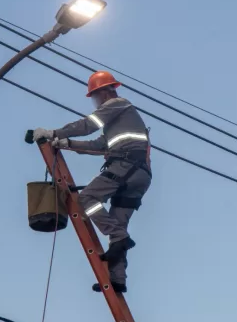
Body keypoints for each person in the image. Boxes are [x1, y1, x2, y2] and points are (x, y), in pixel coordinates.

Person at [33, 70, 152, 293]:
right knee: (118, 224)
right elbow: (98, 146)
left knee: (88, 198)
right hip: (139, 175)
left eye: (96, 96)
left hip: (126, 167)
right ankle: (118, 280)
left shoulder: (118, 104)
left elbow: (88, 124)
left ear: (106, 91)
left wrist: (52, 132)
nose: (96, 102)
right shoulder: (118, 120)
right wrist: (66, 143)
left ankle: (119, 237)